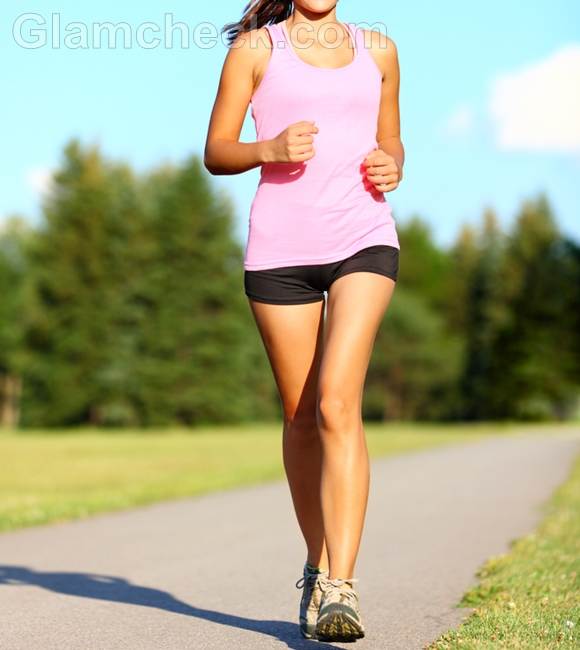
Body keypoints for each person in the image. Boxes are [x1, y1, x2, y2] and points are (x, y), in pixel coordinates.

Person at [204, 0, 404, 642]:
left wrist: (392, 163)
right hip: (281, 252)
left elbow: (391, 137)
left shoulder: (379, 50)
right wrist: (268, 147)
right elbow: (216, 151)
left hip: (364, 238)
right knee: (301, 414)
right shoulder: (256, 50)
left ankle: (341, 589)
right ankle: (318, 566)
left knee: (337, 404)